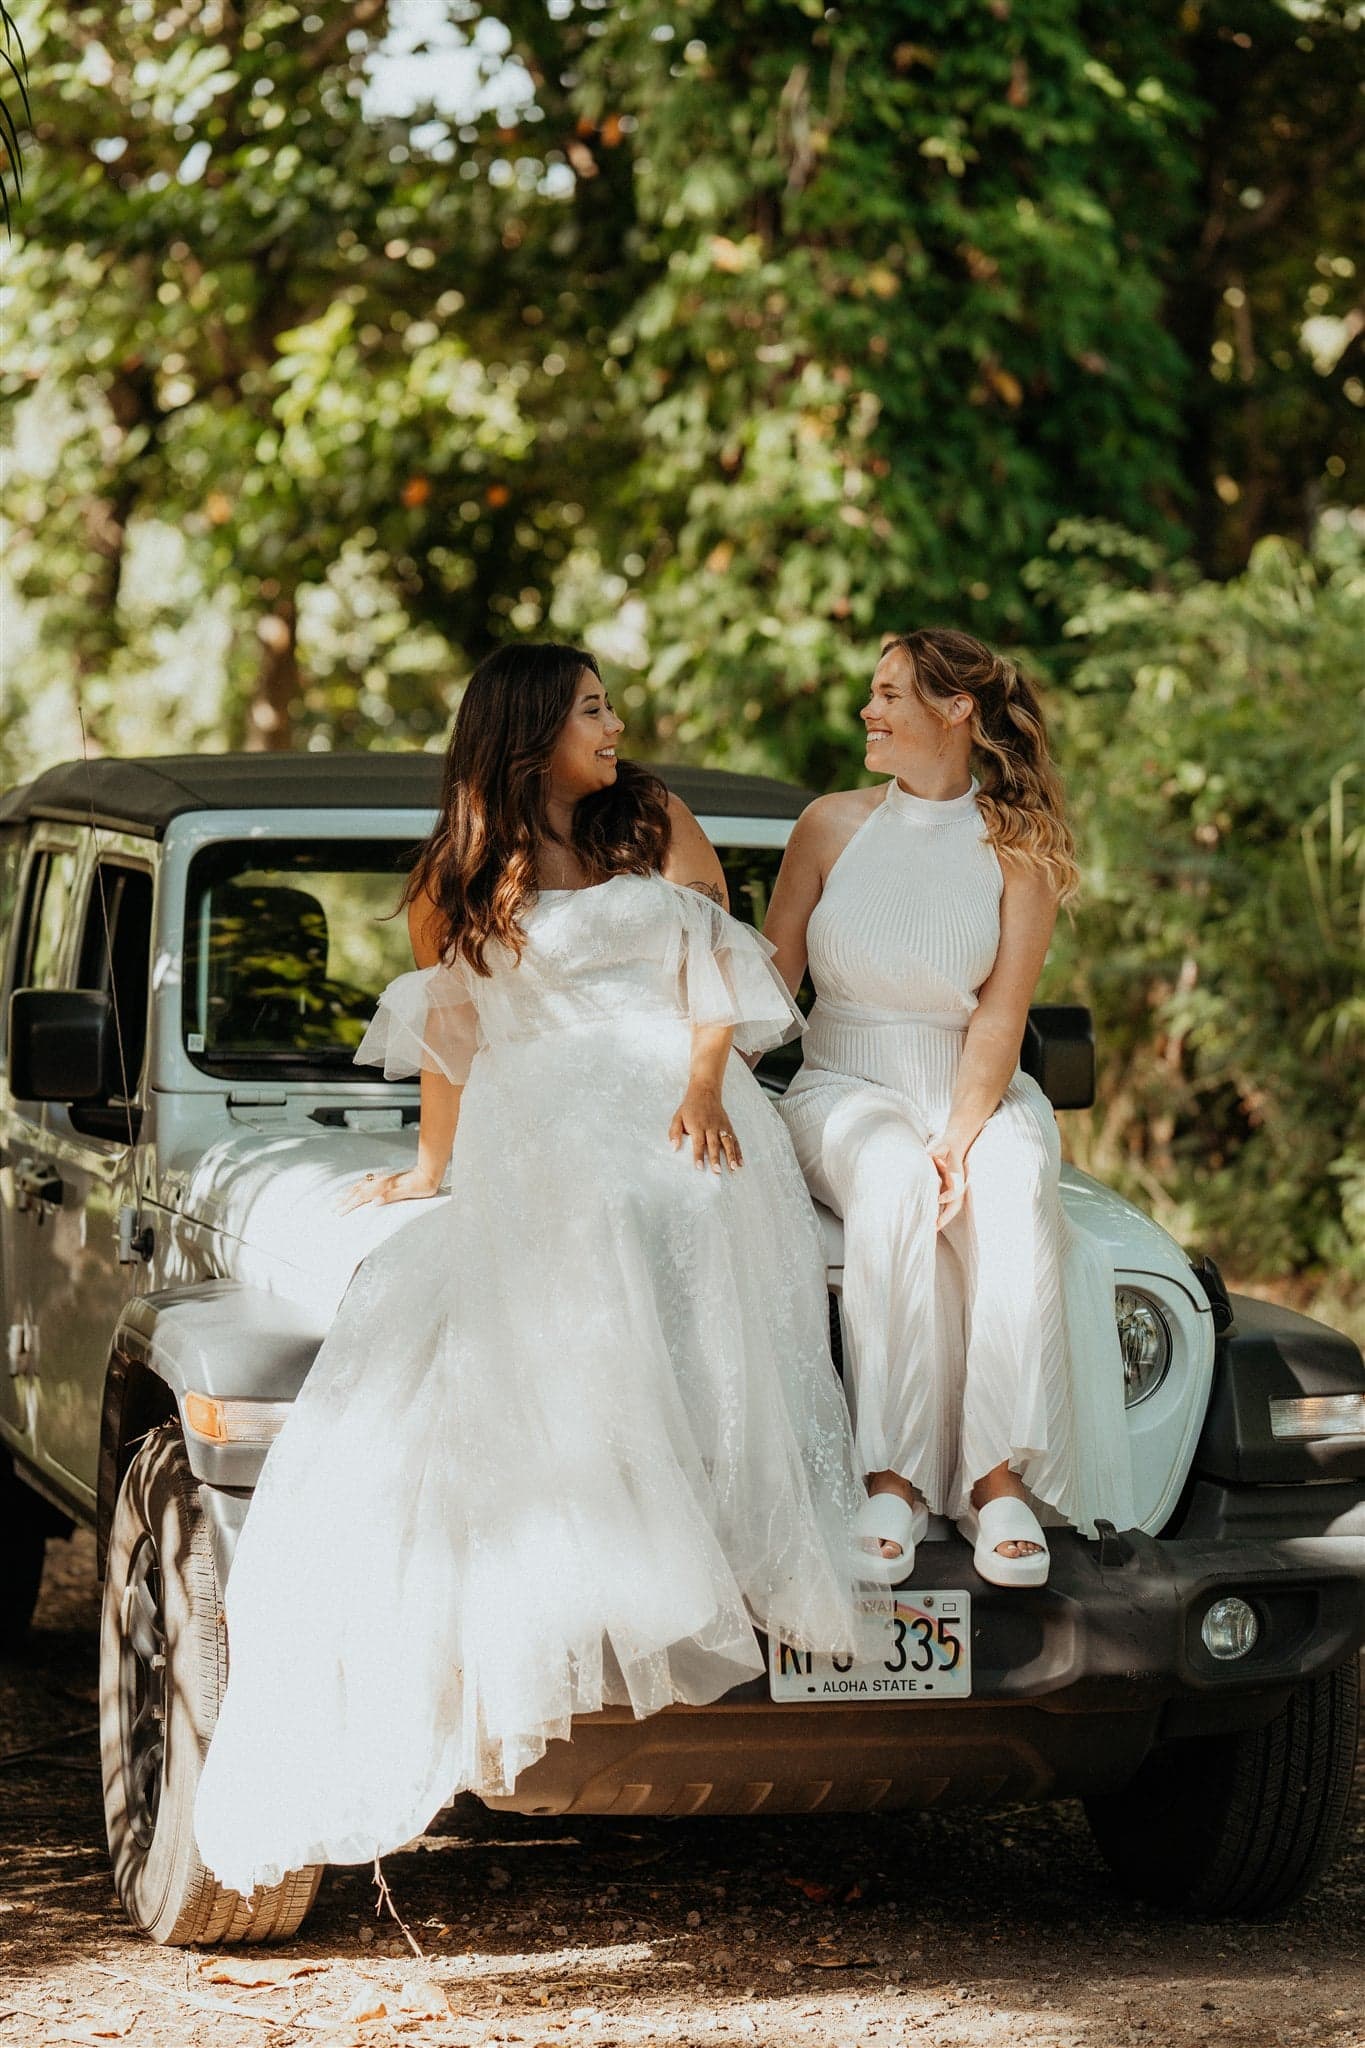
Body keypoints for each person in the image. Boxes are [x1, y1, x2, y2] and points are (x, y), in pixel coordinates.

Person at [193, 642, 861, 1897]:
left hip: (677, 1085)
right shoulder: (457, 871)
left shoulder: (653, 818)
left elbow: (716, 970)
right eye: (592, 708)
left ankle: (702, 1503)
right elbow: (454, 1033)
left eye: (610, 703)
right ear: (529, 729)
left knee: (660, 1184)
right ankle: (598, 1523)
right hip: (536, 1105)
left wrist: (707, 1085)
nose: (616, 724)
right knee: (567, 1210)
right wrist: (431, 1167)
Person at [764, 627, 1135, 1590]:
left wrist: (961, 1138)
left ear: (956, 710)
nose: (867, 710)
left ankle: (996, 1480)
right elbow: (771, 984)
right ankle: (891, 1482)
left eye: (889, 693)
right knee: (890, 1181)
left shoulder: (1019, 851)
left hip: (971, 1086)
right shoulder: (828, 825)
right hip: (842, 1082)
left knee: (1011, 1188)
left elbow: (1001, 1015)